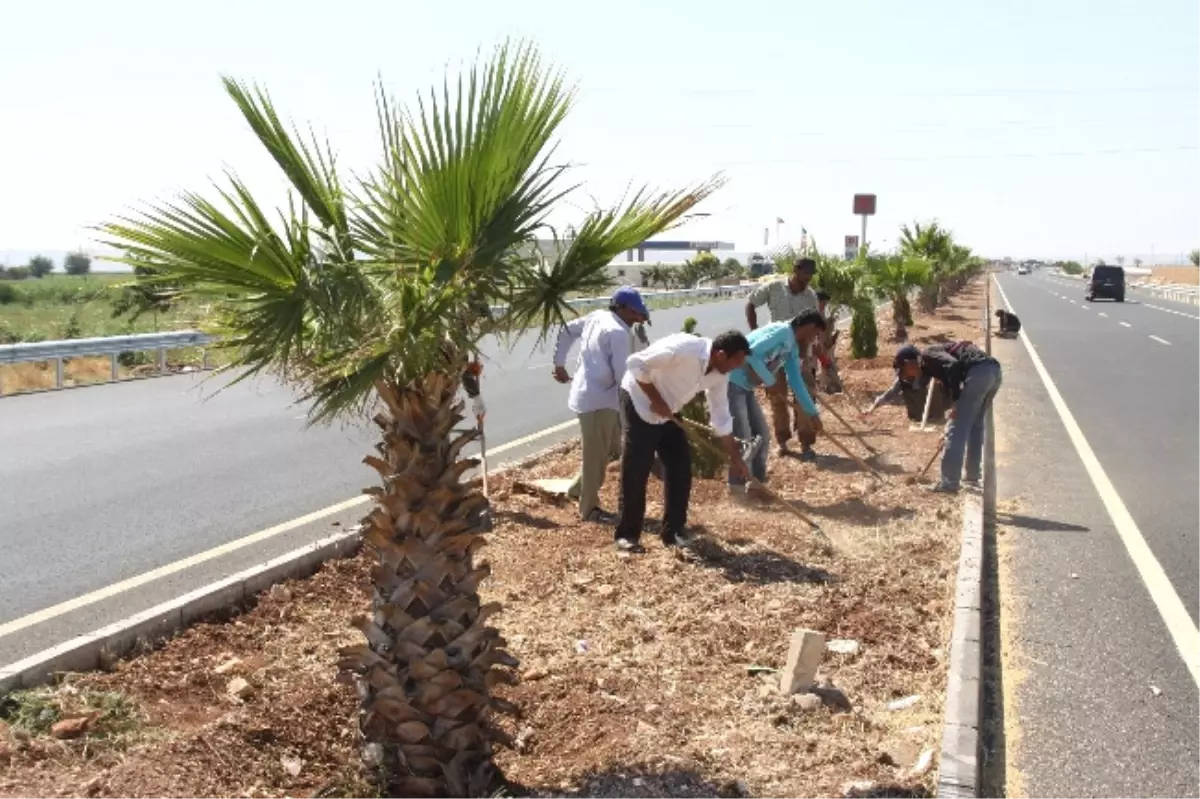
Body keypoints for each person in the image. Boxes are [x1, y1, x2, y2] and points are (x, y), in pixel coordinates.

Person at [614, 330, 752, 552]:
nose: (737, 367)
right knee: (636, 469)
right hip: (639, 401)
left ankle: (673, 531)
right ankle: (627, 535)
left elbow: (721, 415)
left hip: (670, 410)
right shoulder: (684, 349)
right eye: (735, 361)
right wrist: (656, 400)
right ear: (719, 354)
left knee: (680, 468)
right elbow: (636, 364)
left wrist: (736, 459)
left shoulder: (720, 374)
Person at [552, 287, 650, 523]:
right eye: (635, 312)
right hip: (599, 402)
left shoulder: (597, 316)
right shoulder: (617, 333)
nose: (638, 317)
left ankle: (578, 489)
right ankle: (589, 509)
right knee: (595, 456)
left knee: (609, 449)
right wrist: (643, 401)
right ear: (622, 308)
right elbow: (622, 376)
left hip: (594, 397)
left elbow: (565, 331)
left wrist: (559, 363)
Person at [726, 312, 827, 493]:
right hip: (732, 383)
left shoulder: (792, 349)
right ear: (809, 327)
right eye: (815, 334)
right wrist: (769, 381)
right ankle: (737, 488)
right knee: (743, 436)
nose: (814, 340)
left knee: (762, 435)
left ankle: (757, 482)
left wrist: (812, 413)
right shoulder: (781, 332)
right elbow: (749, 353)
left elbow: (796, 381)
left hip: (746, 388)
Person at [891, 342, 1002, 493]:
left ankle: (949, 483)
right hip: (993, 372)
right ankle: (972, 477)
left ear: (909, 362)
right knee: (975, 426)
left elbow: (954, 366)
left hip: (978, 374)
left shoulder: (928, 354)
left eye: (903, 371)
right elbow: (949, 376)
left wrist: (956, 402)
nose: (905, 376)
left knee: (955, 428)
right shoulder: (930, 366)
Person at [746, 256, 822, 460]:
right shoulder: (774, 287)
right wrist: (755, 332)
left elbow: (813, 326)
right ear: (795, 270)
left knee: (804, 392)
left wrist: (807, 356)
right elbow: (751, 304)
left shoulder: (810, 297)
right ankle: (783, 441)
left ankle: (806, 442)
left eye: (811, 275)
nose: (808, 278)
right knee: (777, 396)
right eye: (806, 273)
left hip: (798, 351)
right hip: (774, 350)